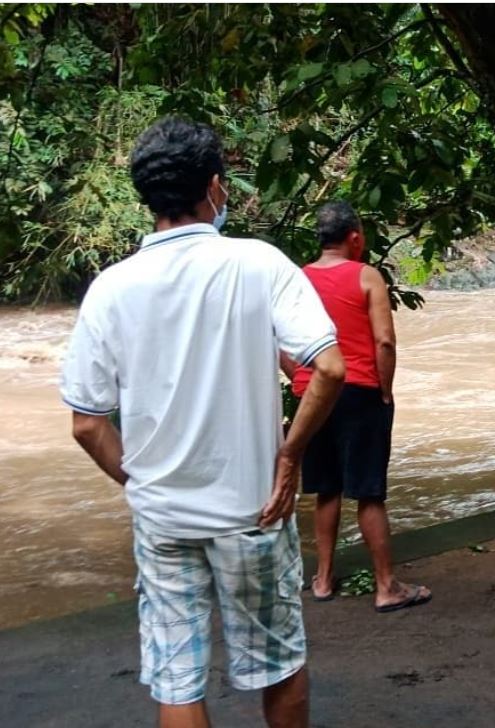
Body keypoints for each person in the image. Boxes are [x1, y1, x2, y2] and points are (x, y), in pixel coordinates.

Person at [61, 116, 345, 728]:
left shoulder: (110, 289)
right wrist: (290, 458)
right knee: (279, 663)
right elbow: (329, 368)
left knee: (177, 679)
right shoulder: (257, 264)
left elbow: (86, 424)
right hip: (253, 511)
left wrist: (139, 482)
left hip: (162, 518)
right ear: (214, 187)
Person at [281, 201, 432, 613]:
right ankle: (386, 586)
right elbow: (384, 341)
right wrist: (384, 391)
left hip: (313, 393)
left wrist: (301, 376)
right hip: (359, 390)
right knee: (368, 492)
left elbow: (277, 341)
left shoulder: (296, 279)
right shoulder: (367, 276)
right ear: (354, 237)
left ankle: (324, 579)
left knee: (326, 488)